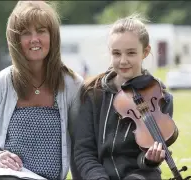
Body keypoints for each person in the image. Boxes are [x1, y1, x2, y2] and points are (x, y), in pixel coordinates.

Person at [0, 1, 83, 180]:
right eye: (26, 33)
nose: (34, 39)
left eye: (41, 31)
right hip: (3, 175)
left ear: (52, 36)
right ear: (16, 41)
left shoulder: (72, 85)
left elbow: (81, 144)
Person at [71, 14, 175, 180]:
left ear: (146, 52)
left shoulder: (161, 98)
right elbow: (83, 152)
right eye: (116, 53)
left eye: (131, 53)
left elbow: (147, 157)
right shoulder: (92, 93)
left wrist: (150, 160)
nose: (123, 60)